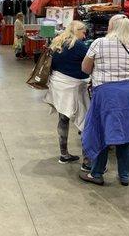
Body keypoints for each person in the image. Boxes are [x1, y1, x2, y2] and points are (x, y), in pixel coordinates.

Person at [79, 14, 129, 187]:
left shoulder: (98, 43)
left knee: (102, 132)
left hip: (106, 93)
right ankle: (125, 176)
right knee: (124, 132)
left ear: (111, 27)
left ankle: (96, 173)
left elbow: (85, 68)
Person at [43, 20, 91, 167]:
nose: (84, 36)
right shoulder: (78, 45)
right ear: (77, 31)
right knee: (85, 122)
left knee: (63, 119)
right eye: (83, 32)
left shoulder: (58, 42)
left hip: (58, 86)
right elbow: (90, 62)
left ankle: (63, 154)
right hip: (74, 87)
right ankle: (87, 161)